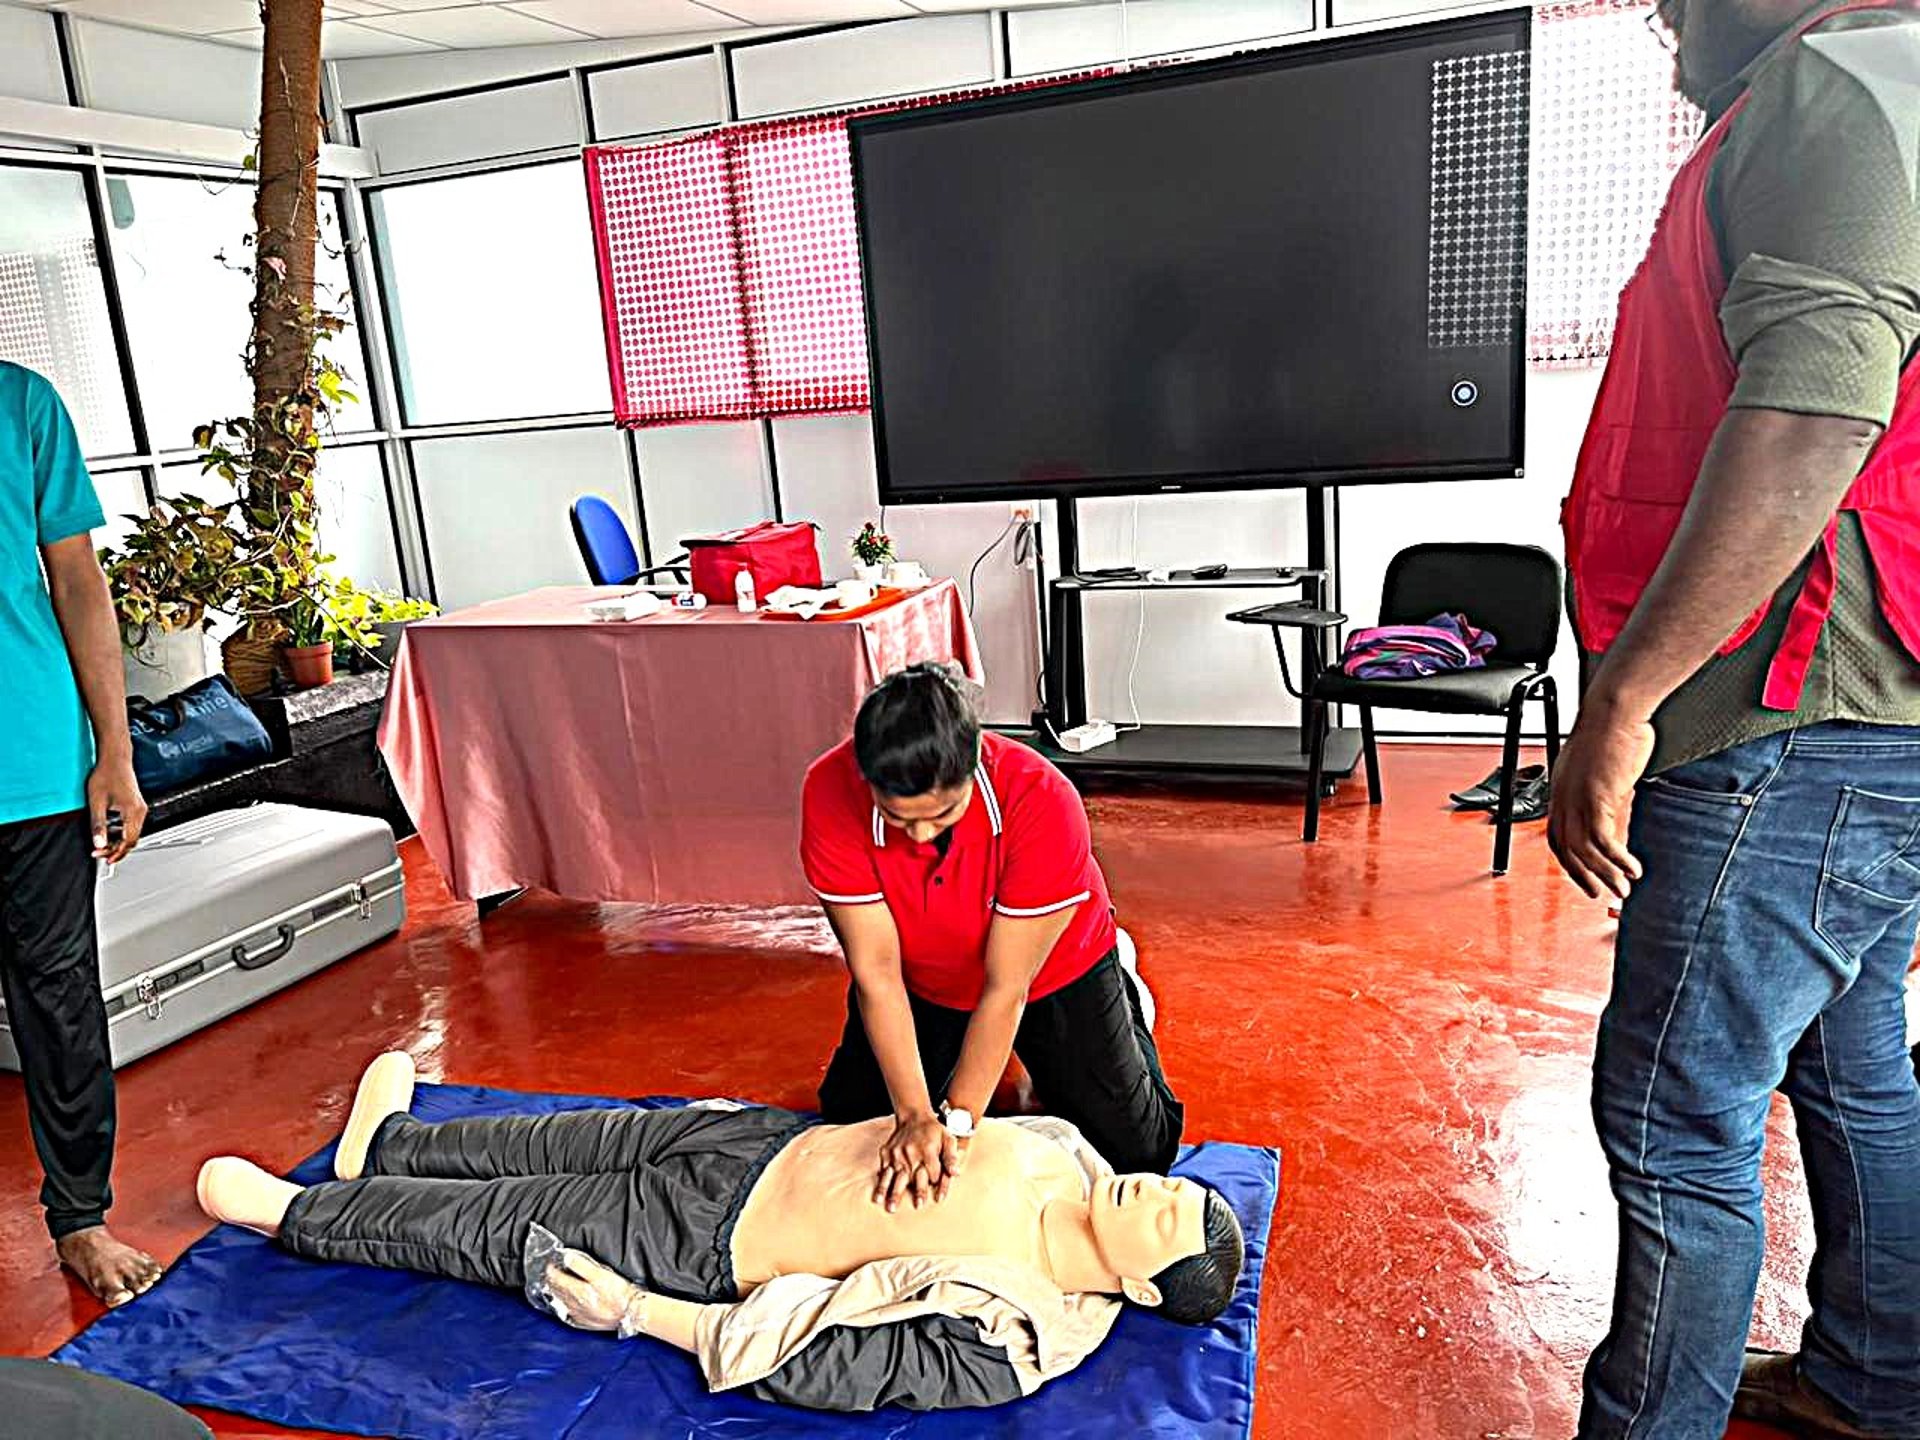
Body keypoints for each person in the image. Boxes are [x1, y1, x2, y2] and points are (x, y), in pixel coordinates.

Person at [1550, 2, 1920, 1437]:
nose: (1666, 17)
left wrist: (1626, 700)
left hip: (1786, 719)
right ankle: (1875, 1381)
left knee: (1673, 1113)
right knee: (1850, 1059)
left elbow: (1817, 409)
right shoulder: (1869, 82)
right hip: (1869, 720)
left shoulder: (1838, 82)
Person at [195, 1052, 1244, 1414]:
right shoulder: (1067, 1152)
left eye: (1165, 1224)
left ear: (1143, 1290)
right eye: (1169, 1191)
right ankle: (390, 1145)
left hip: (708, 1244)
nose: (1151, 1196)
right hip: (761, 1147)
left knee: (500, 1223)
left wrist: (643, 1314)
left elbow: (837, 1368)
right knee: (567, 1140)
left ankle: (298, 1214)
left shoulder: (1015, 1333)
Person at [801, 662, 1183, 1209]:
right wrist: (912, 1117)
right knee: (853, 1127)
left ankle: (1119, 993)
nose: (921, 835)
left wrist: (956, 1125)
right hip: (924, 975)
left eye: (942, 814)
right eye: (900, 819)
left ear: (976, 760)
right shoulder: (828, 791)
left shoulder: (1042, 798)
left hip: (1052, 967)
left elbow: (1007, 988)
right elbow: (876, 974)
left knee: (1133, 1156)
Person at [0, 362, 155, 1307]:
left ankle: (79, 1218)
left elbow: (78, 584)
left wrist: (117, 752)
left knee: (57, 1003)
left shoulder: (23, 407)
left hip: (33, 765)